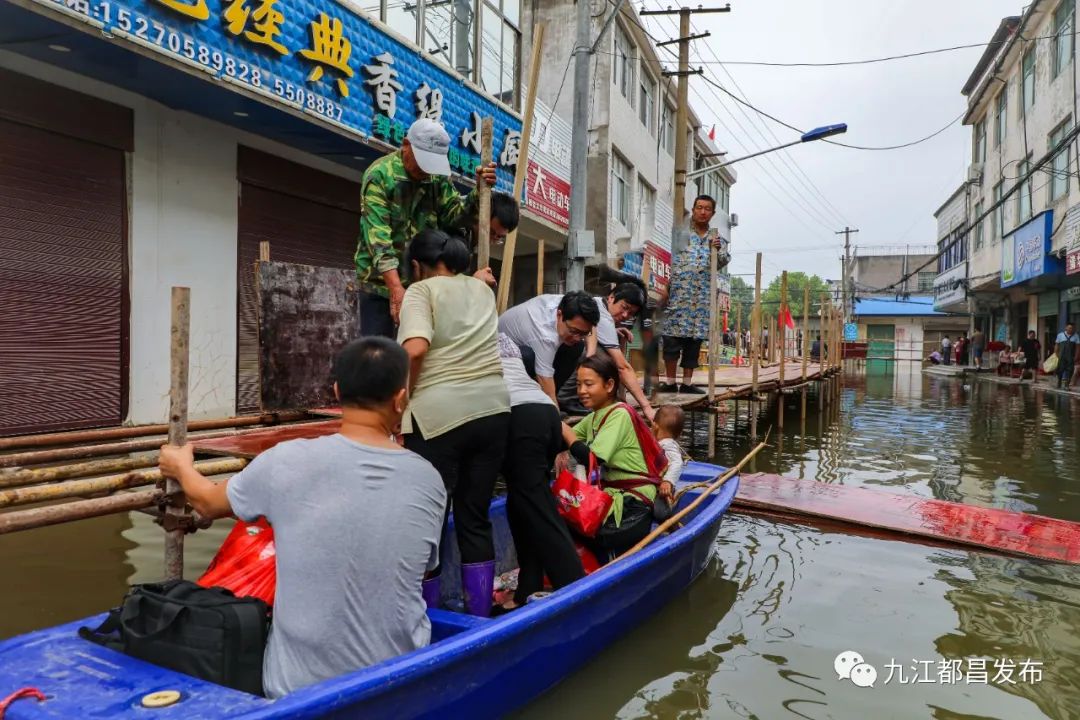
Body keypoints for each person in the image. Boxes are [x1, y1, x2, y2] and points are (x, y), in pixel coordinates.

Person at [158, 338, 445, 698]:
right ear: (401, 398)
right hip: (399, 680)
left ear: (337, 392)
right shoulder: (429, 478)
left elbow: (206, 503)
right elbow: (421, 569)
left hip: (295, 688)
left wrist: (181, 467)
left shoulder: (286, 460)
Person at [397, 229, 511, 617]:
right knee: (474, 516)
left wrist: (400, 401)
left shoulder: (420, 291)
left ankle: (427, 621)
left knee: (429, 519)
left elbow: (415, 349)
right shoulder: (483, 291)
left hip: (438, 416)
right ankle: (478, 616)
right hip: (494, 411)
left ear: (417, 265)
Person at [354, 118, 498, 338]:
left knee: (421, 348)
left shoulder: (436, 177)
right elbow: (378, 239)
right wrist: (395, 289)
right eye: (422, 160)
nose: (425, 168)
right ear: (405, 145)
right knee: (379, 354)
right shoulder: (380, 176)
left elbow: (454, 216)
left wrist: (478, 191)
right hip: (381, 285)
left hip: (424, 283)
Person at [493, 334, 585, 614]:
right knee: (521, 503)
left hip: (521, 415)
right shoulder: (502, 338)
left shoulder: (472, 332)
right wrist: (573, 444)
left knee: (534, 502)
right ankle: (527, 588)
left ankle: (575, 588)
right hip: (542, 413)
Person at [559, 354, 674, 562]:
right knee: (558, 516)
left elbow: (592, 458)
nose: (581, 391)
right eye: (578, 385)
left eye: (588, 384)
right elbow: (564, 440)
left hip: (633, 508)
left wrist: (566, 433)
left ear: (609, 384)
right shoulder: (594, 416)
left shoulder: (619, 414)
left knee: (566, 522)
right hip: (613, 497)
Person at [555, 282, 653, 420]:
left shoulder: (596, 304)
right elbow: (623, 367)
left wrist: (613, 332)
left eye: (631, 313)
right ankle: (568, 398)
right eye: (624, 307)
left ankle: (573, 397)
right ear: (611, 298)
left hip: (554, 359)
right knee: (599, 355)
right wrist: (646, 407)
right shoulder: (603, 317)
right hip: (550, 357)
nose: (625, 315)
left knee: (598, 350)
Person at [661, 195, 725, 394]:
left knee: (693, 343)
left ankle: (687, 384)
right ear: (694, 209)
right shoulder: (681, 233)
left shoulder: (716, 238)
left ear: (712, 213)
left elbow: (721, 262)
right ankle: (670, 382)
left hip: (701, 301)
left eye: (707, 209)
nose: (702, 211)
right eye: (699, 207)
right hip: (679, 298)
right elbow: (668, 257)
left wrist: (717, 250)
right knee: (671, 342)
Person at [498, 291, 601, 405]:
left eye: (583, 333)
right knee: (528, 356)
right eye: (574, 331)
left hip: (532, 345)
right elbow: (546, 382)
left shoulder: (568, 304)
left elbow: (588, 326)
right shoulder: (543, 334)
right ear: (559, 315)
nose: (577, 337)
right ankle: (529, 404)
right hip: (502, 361)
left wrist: (590, 357)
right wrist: (555, 419)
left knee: (576, 346)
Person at [652, 404, 687, 521]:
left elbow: (677, 462)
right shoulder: (657, 442)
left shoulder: (667, 444)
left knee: (660, 513)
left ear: (655, 426)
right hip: (653, 484)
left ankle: (670, 516)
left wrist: (668, 481)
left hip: (662, 488)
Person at [1054, 322, 1079, 390]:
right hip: (1061, 356)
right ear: (1066, 328)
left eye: (1072, 328)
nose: (1071, 329)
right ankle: (1059, 382)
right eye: (1070, 328)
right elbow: (1057, 344)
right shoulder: (1060, 335)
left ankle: (1066, 385)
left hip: (1070, 357)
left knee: (1070, 370)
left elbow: (1077, 347)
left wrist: (1076, 356)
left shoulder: (1076, 336)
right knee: (1060, 370)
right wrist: (1056, 353)